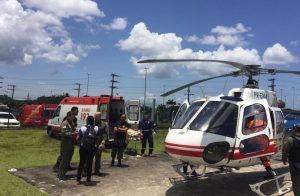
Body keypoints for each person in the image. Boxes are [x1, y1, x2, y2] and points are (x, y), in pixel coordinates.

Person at [245, 108, 275, 179]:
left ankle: (270, 172)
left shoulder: (251, 122)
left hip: (258, 143)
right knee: (264, 158)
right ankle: (269, 171)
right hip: (265, 142)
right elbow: (271, 130)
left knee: (244, 147)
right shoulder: (262, 122)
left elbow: (247, 132)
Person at [53, 106, 79, 172]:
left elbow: (73, 127)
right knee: (63, 155)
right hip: (66, 141)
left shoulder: (73, 119)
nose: (77, 112)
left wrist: (75, 132)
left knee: (70, 154)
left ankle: (67, 165)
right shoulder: (66, 120)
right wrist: (72, 133)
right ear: (72, 111)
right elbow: (64, 130)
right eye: (76, 111)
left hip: (71, 140)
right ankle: (57, 166)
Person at [76, 116, 99, 185]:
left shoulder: (83, 128)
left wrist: (80, 144)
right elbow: (97, 138)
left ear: (87, 121)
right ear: (93, 121)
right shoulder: (96, 128)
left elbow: (77, 138)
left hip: (83, 148)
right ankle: (88, 179)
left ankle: (78, 179)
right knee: (89, 164)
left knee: (81, 163)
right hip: (92, 149)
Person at [282, 125, 300, 196]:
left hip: (295, 166)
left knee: (297, 185)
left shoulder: (290, 140)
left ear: (295, 131)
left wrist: (284, 159)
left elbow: (285, 151)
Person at [58, 111, 76, 180]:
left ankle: (63, 173)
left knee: (68, 159)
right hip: (65, 145)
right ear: (68, 116)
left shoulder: (71, 123)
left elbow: (73, 130)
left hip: (71, 144)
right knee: (64, 160)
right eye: (72, 116)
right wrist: (72, 134)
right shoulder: (65, 124)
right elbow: (64, 133)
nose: (73, 118)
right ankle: (61, 175)